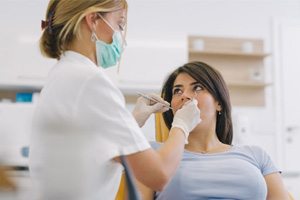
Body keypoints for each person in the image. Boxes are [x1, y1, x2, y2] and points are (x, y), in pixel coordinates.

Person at [28, 0, 201, 199]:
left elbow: (94, 145)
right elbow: (159, 174)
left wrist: (134, 120)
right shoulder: (90, 81)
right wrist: (182, 125)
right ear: (93, 19)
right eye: (119, 24)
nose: (120, 37)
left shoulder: (64, 74)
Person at [137, 61, 289, 200]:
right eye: (177, 91)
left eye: (197, 87)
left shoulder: (256, 155)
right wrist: (133, 121)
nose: (185, 96)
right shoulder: (151, 152)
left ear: (219, 104)